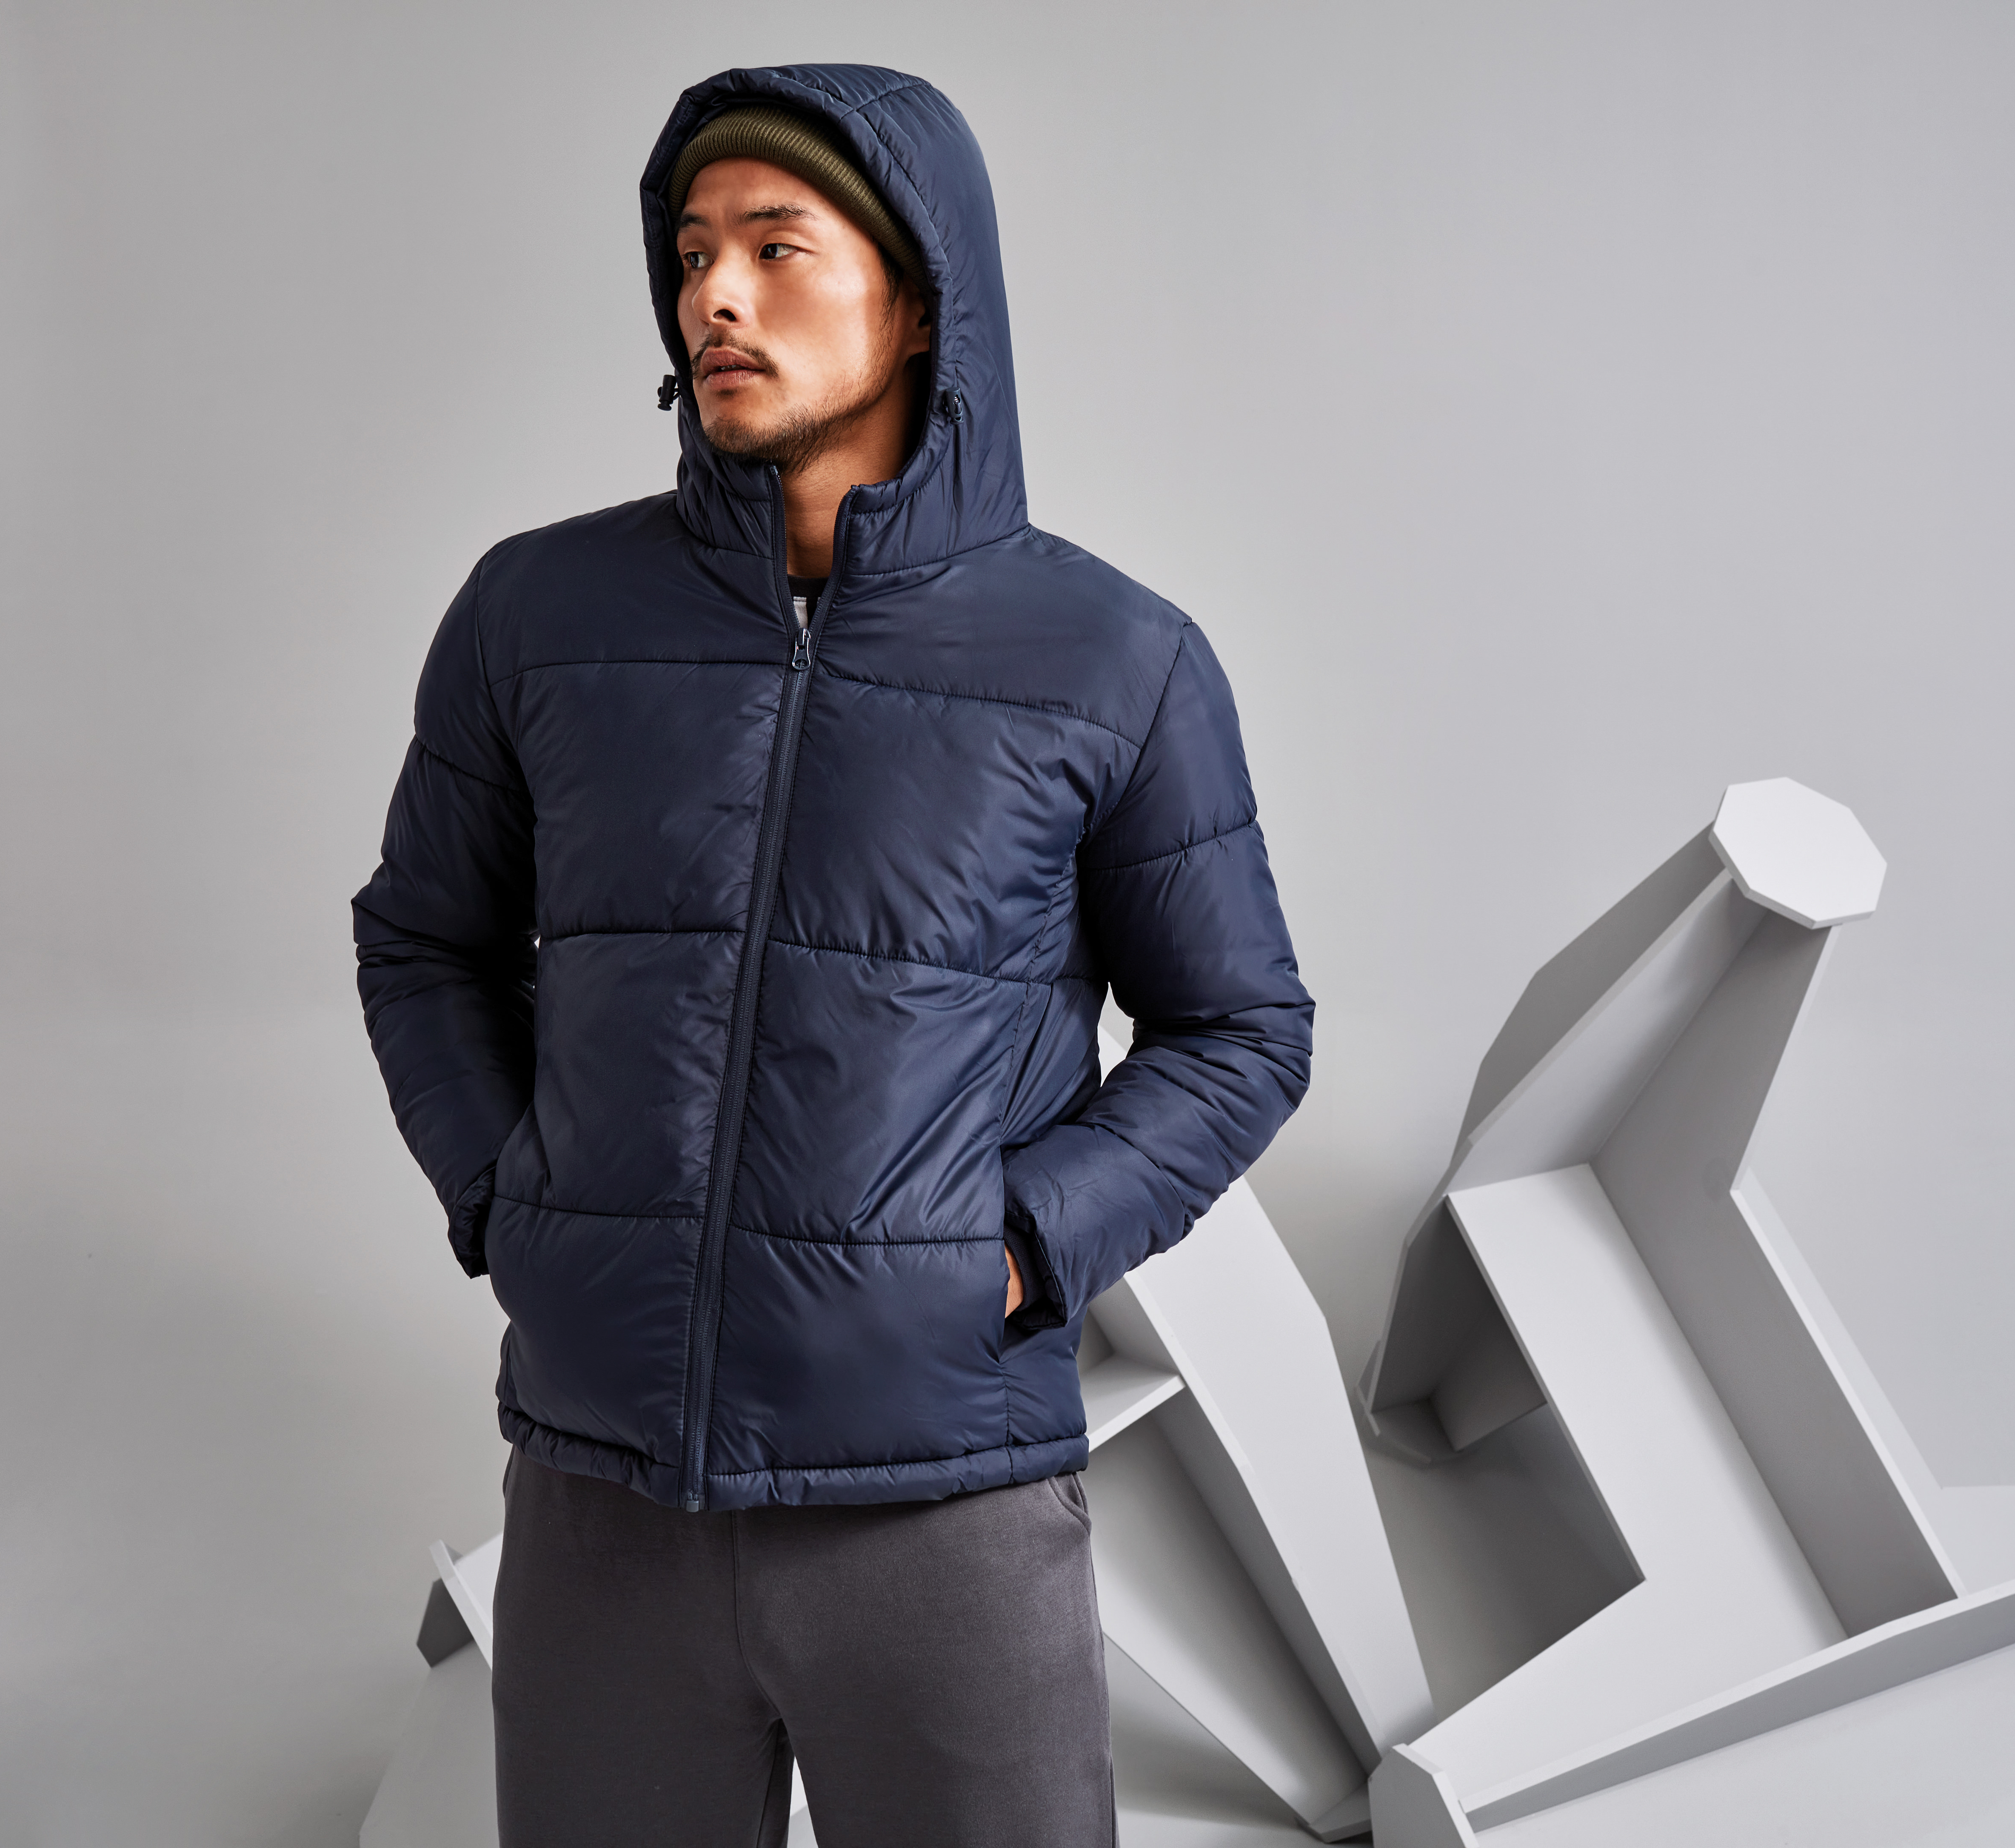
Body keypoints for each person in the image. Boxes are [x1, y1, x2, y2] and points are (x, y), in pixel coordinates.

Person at [351, 63, 1312, 1848]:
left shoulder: (1114, 659)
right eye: (691, 253)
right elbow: (421, 938)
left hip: (943, 1508)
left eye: (777, 248)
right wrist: (514, 1203)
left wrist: (1017, 1250)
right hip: (603, 1502)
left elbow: (1239, 1028)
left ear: (921, 297)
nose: (714, 296)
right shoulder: (536, 615)